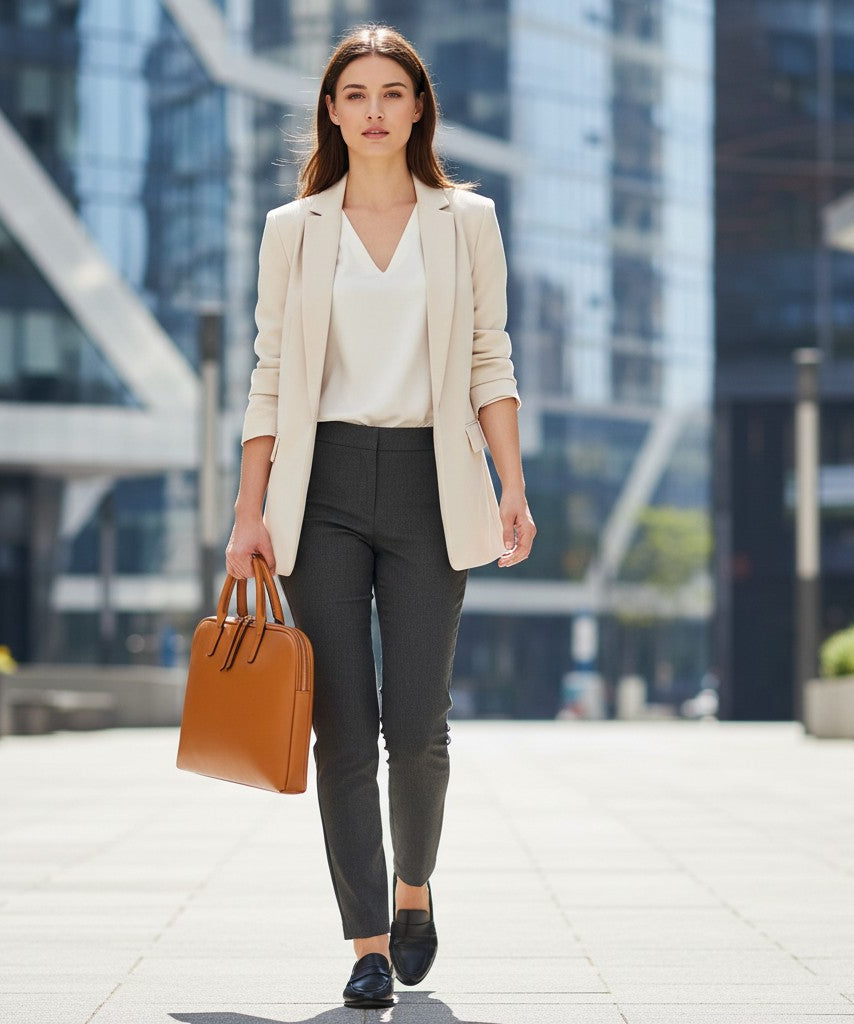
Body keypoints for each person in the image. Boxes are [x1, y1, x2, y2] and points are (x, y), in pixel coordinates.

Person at [225, 23, 535, 1009]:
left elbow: (490, 358)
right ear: (330, 108)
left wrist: (512, 485)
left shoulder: (466, 220)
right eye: (353, 92)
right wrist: (247, 511)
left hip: (427, 481)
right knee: (340, 727)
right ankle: (365, 941)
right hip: (315, 492)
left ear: (416, 108)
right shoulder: (293, 229)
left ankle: (413, 888)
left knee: (420, 722)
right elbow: (270, 374)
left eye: (389, 93)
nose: (371, 109)